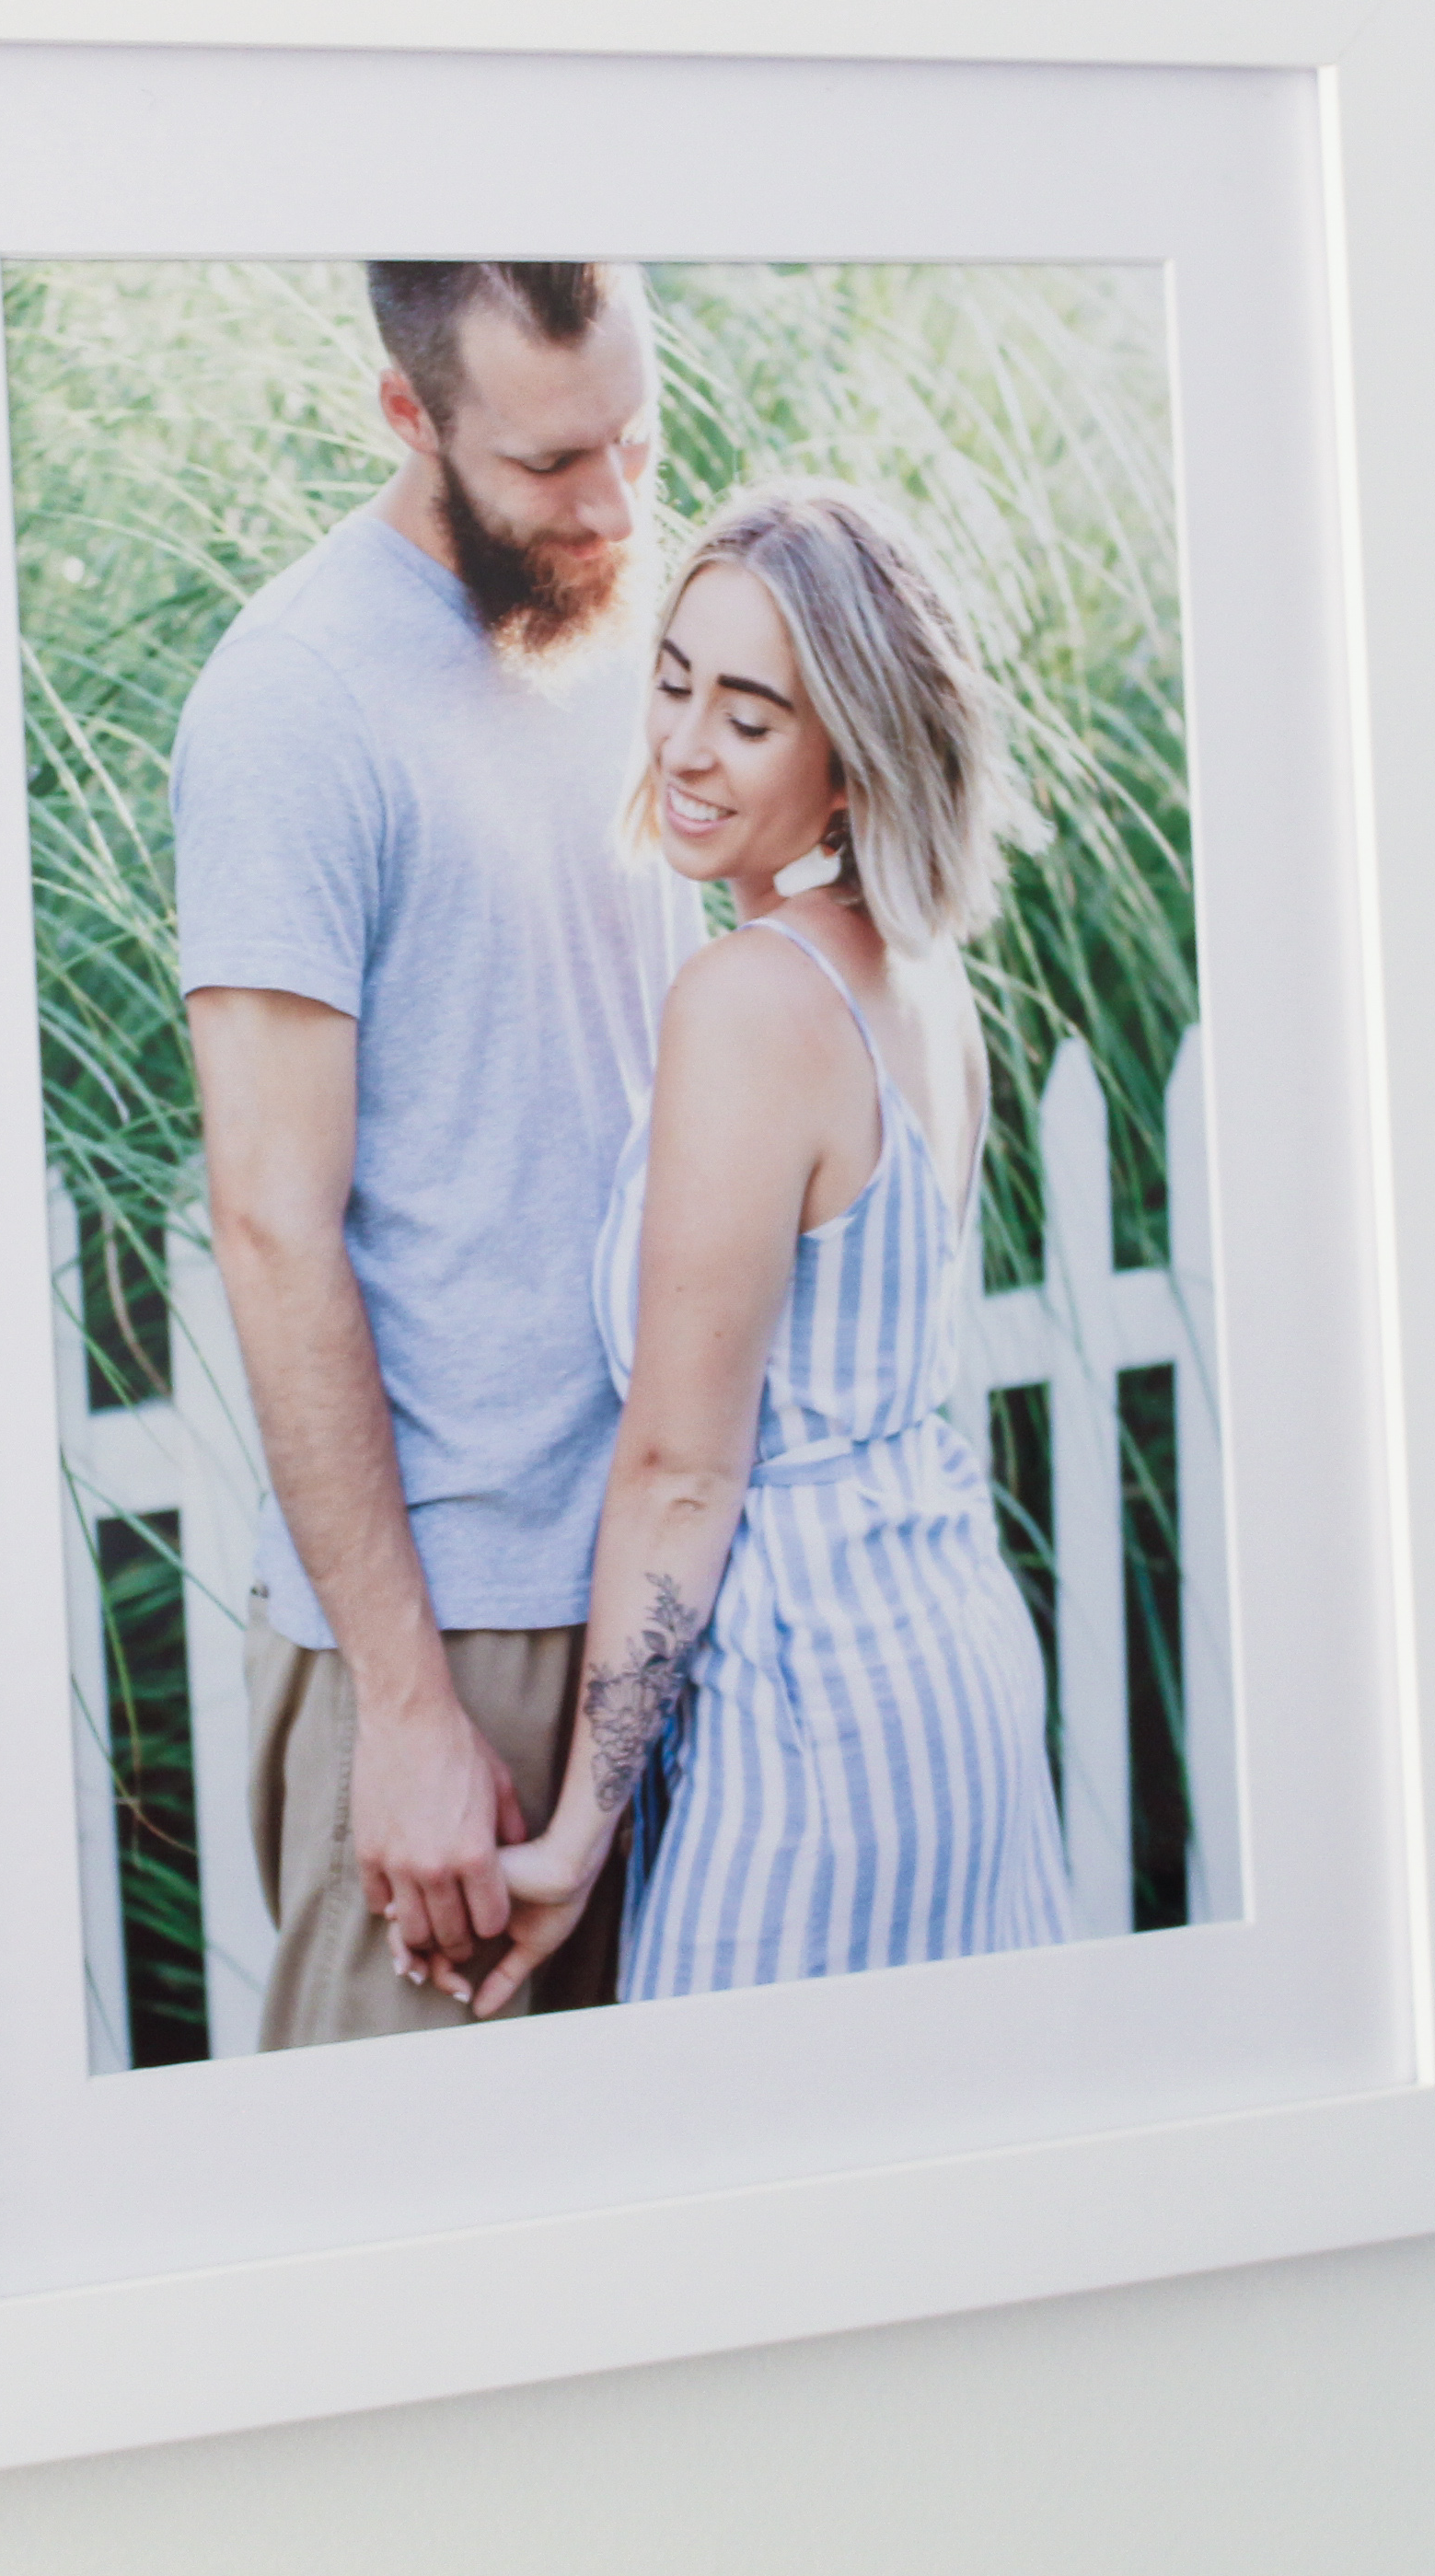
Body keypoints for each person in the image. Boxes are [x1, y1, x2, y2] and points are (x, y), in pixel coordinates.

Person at [465, 482, 1069, 2015]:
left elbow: (681, 1467)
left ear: (848, 763)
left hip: (812, 1723)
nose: (678, 744)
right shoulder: (923, 982)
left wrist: (581, 1832)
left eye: (747, 716)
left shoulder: (747, 1004)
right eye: (671, 682)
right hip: (955, 1666)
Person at [178, 262, 691, 2046]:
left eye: (635, 433)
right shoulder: (296, 702)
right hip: (457, 1633)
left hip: (672, 1594)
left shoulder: (650, 631)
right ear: (409, 418)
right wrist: (402, 1706)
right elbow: (269, 1222)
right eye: (554, 464)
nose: (613, 503)